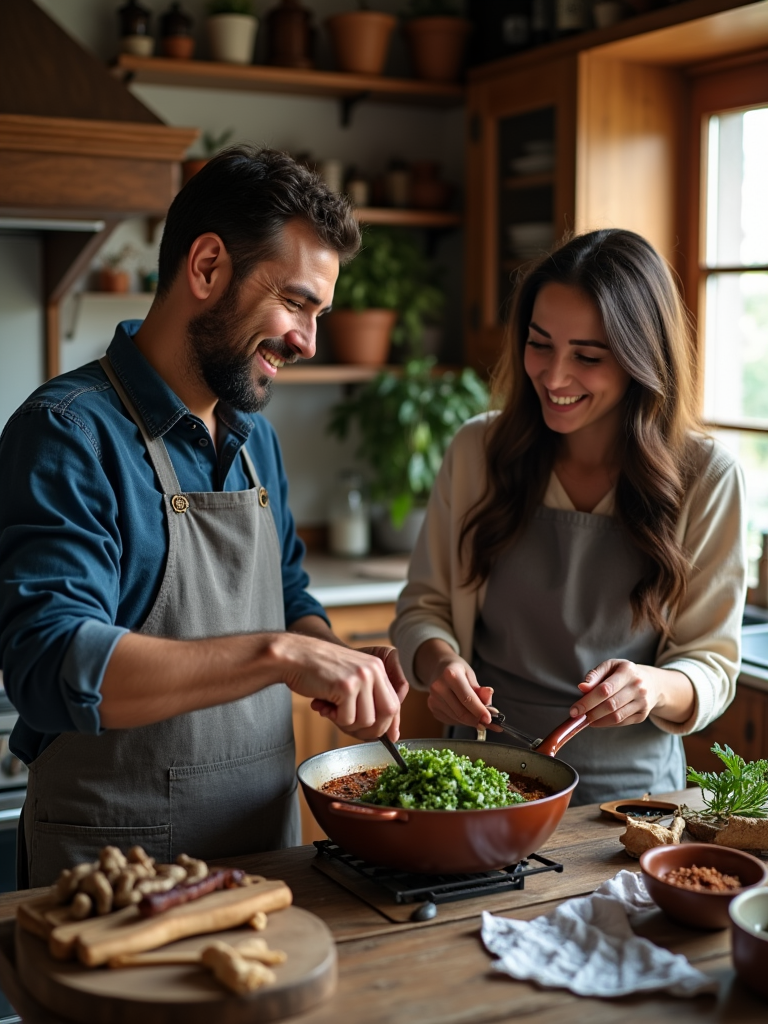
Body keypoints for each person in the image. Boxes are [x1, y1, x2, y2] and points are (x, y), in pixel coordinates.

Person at [0, 146, 408, 887]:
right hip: (110, 877)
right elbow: (48, 663)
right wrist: (281, 656)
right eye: (295, 302)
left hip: (263, 858)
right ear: (208, 267)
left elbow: (290, 596)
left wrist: (337, 664)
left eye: (319, 314)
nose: (308, 342)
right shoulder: (67, 432)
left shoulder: (257, 440)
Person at [392, 228, 747, 805]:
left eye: (587, 356)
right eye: (539, 344)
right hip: (481, 780)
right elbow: (423, 607)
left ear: (641, 359)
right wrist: (441, 665)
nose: (554, 378)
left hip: (629, 804)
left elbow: (711, 665)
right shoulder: (475, 452)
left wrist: (653, 687)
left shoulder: (708, 477)